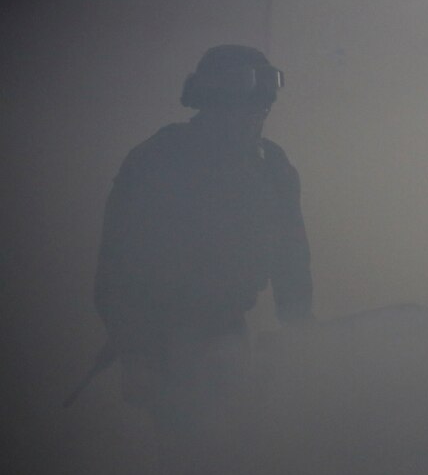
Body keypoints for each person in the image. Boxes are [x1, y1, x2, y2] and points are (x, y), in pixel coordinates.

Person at [93, 45, 313, 425]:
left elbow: (291, 255)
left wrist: (301, 334)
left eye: (261, 109)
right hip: (161, 338)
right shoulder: (158, 160)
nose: (254, 118)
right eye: (243, 107)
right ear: (211, 102)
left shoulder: (272, 166)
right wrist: (136, 351)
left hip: (230, 334)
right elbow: (117, 264)